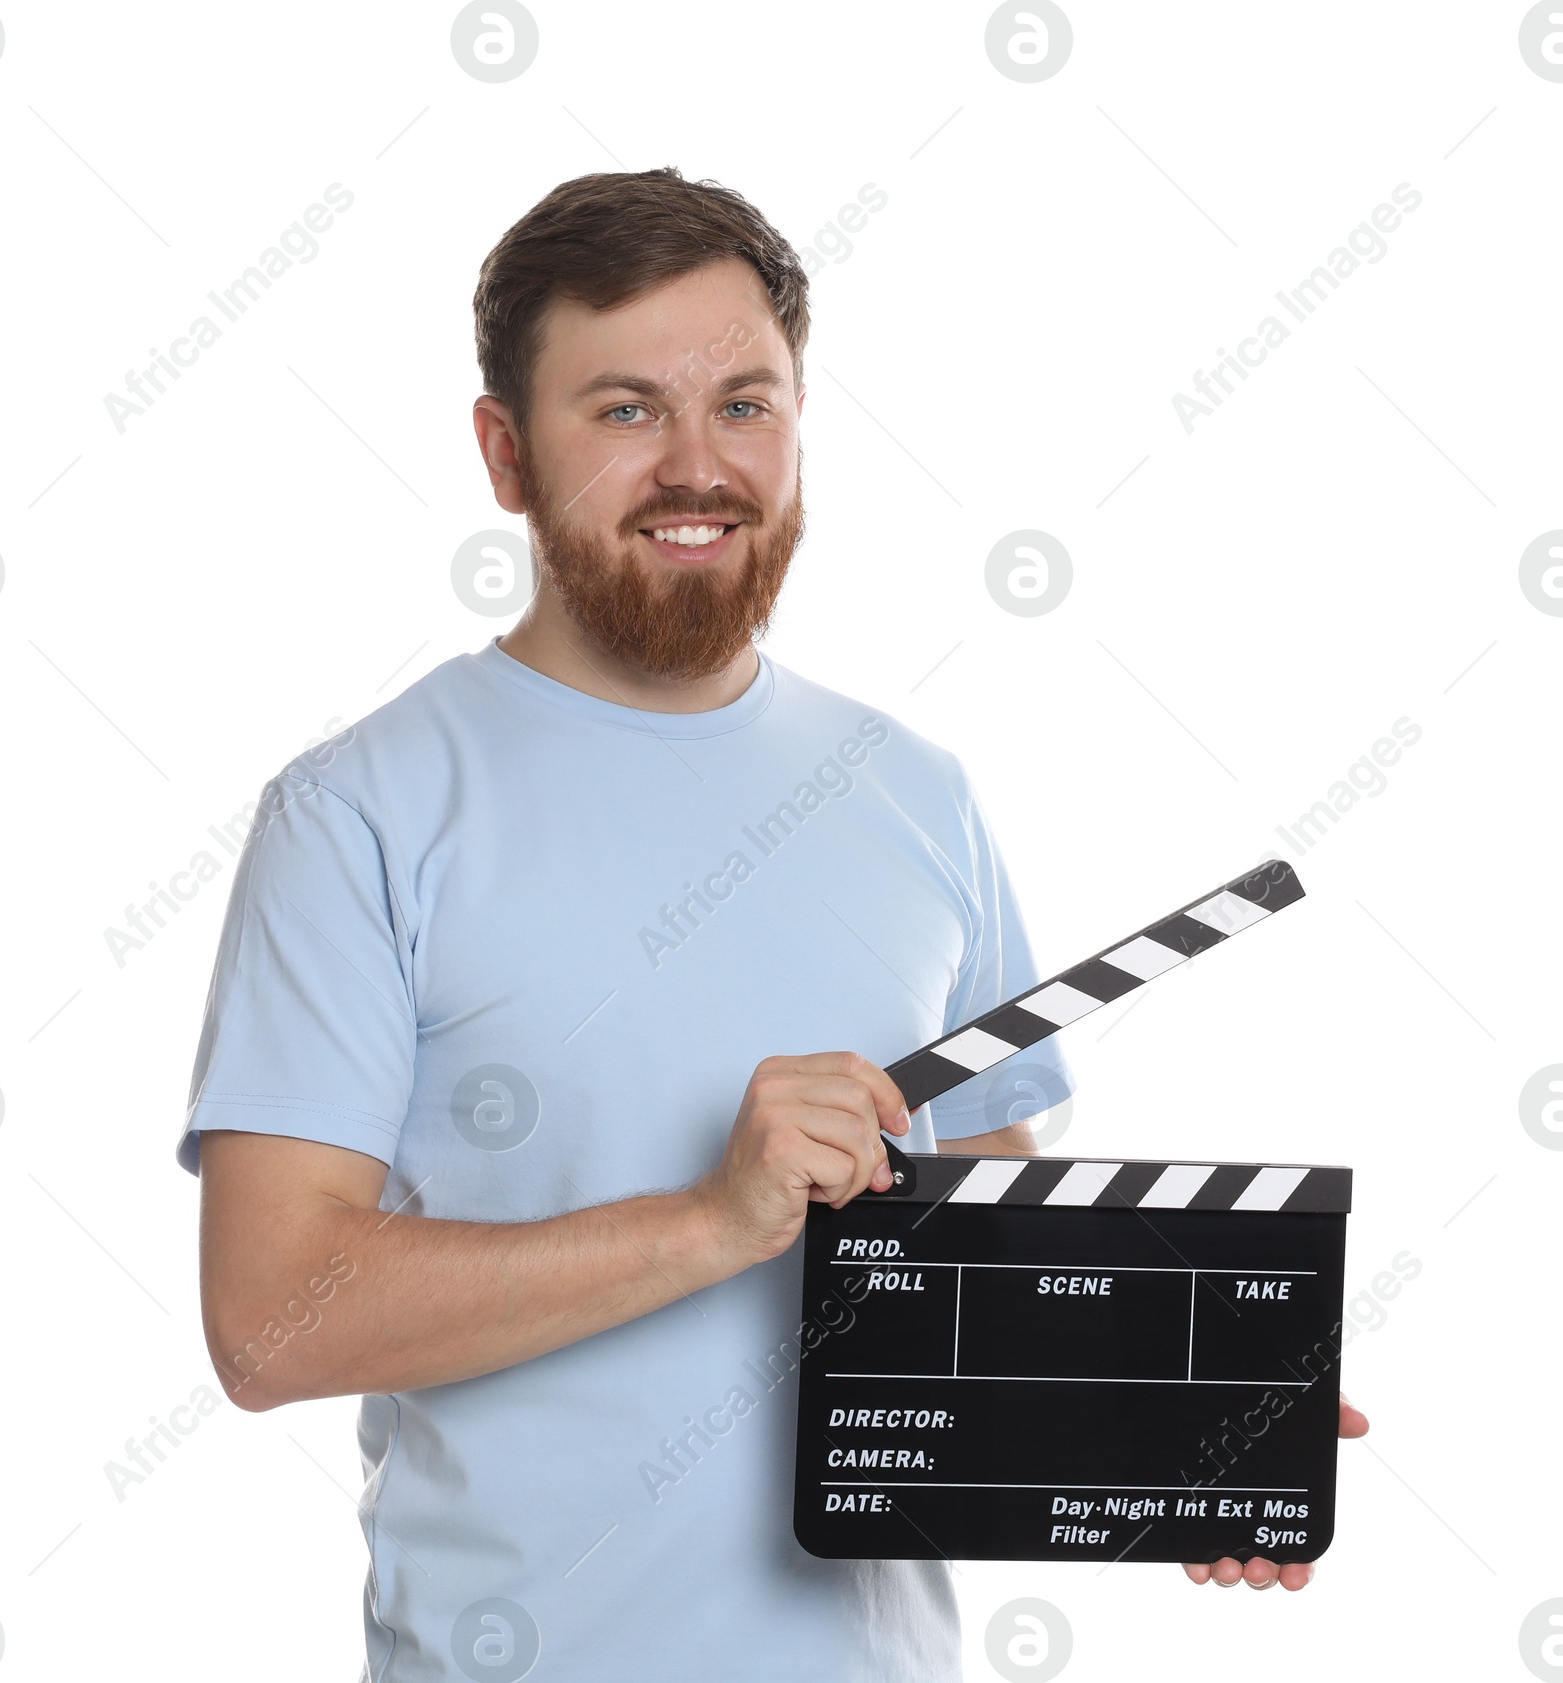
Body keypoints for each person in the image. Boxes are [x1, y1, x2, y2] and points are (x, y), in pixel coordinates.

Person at [179, 166, 1360, 1682]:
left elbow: (976, 1296)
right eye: (622, 411)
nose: (696, 467)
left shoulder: (916, 796)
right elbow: (271, 1323)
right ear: (504, 454)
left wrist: (1170, 1421)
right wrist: (709, 1222)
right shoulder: (359, 812)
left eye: (745, 404)